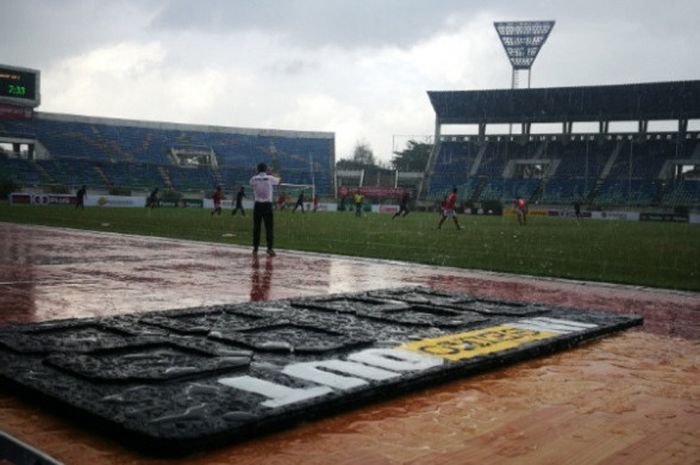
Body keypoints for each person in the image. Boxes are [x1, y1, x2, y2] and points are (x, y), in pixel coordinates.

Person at [250, 162, 281, 256]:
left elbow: (251, 183)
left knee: (256, 227)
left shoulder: (254, 178)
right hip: (267, 205)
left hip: (258, 205)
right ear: (266, 169)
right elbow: (279, 181)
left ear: (258, 169)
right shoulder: (270, 178)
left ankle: (255, 249)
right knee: (269, 228)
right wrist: (271, 173)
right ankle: (269, 248)